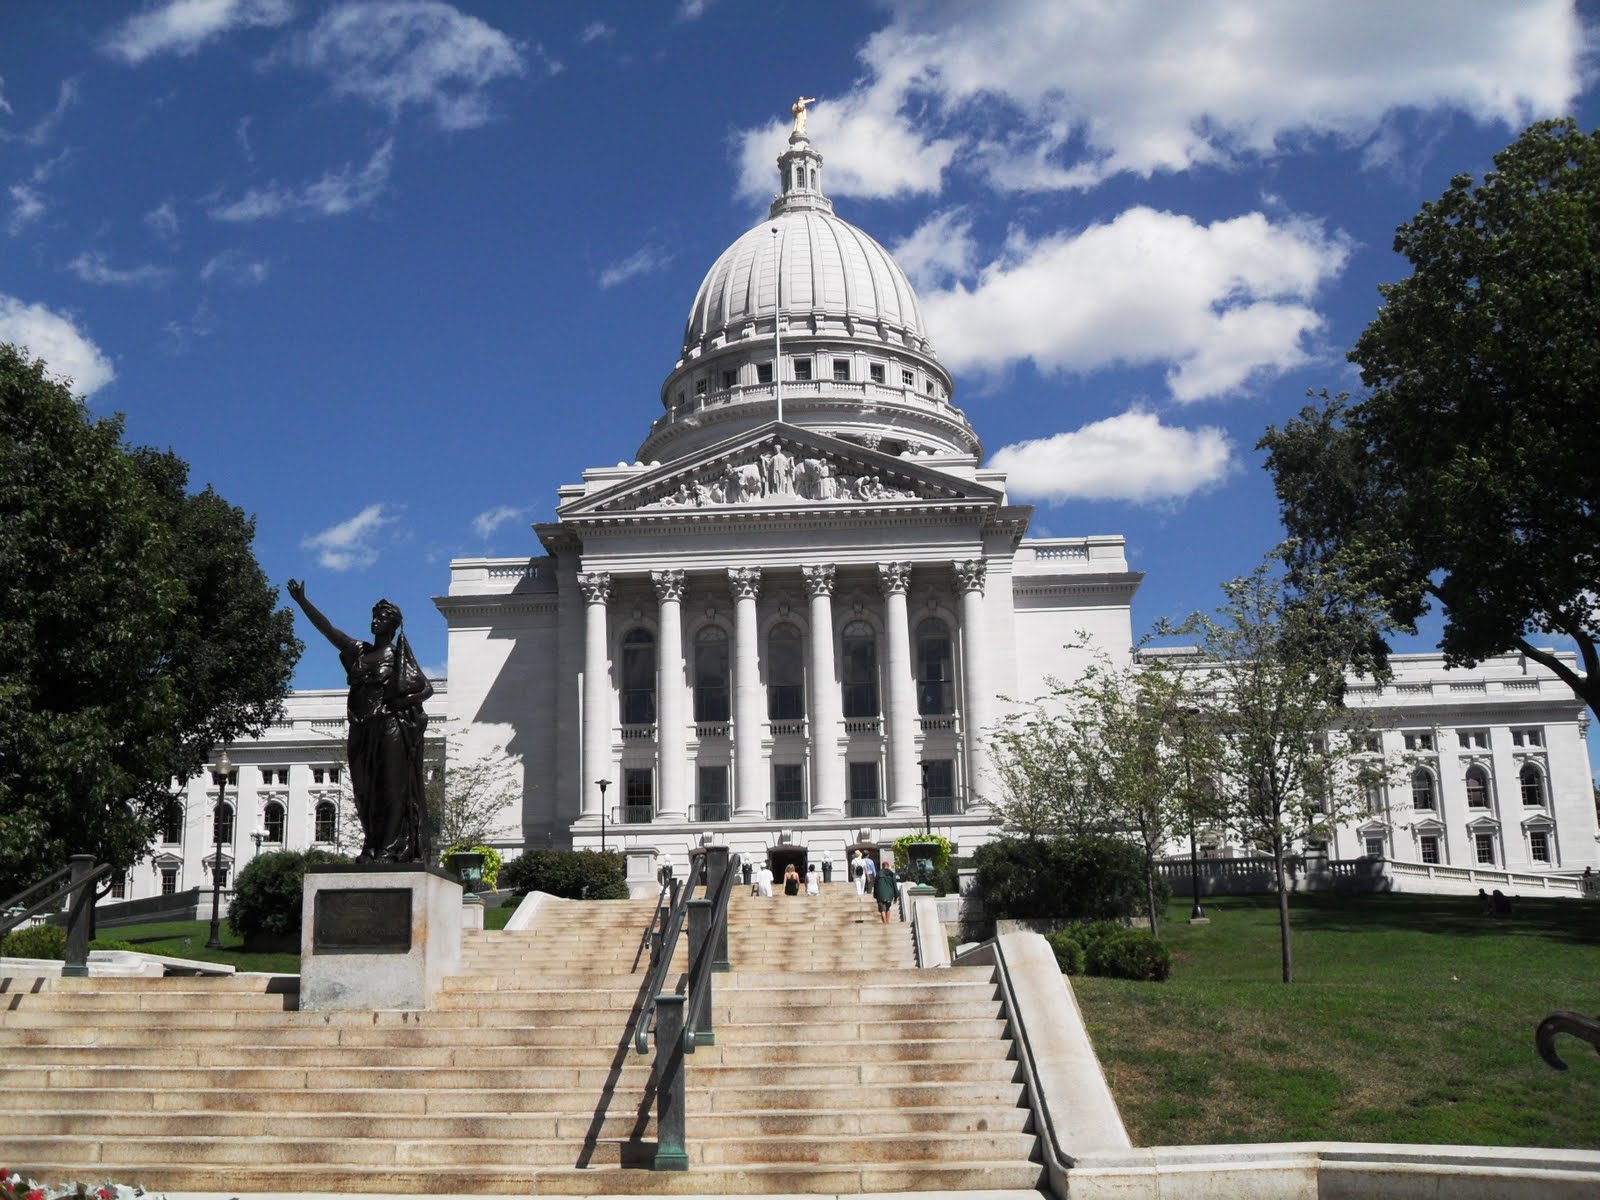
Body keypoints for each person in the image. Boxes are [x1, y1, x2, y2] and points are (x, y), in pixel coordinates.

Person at [287, 580, 432, 864]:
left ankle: (390, 848)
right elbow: (329, 631)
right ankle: (372, 845)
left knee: (390, 788)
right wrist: (303, 602)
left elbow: (425, 689)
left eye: (382, 618)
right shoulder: (359, 651)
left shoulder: (398, 656)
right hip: (361, 728)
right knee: (365, 790)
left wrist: (400, 702)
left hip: (389, 726)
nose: (375, 621)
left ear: (393, 625)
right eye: (374, 616)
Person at [873, 858, 899, 923]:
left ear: (882, 866)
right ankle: (887, 922)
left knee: (882, 910)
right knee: (888, 909)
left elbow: (875, 885)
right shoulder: (892, 874)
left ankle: (885, 924)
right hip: (890, 895)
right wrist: (896, 896)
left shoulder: (879, 873)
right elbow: (895, 886)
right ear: (888, 866)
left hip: (881, 895)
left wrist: (875, 895)